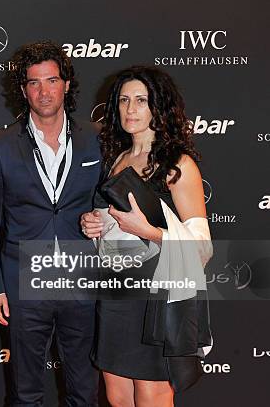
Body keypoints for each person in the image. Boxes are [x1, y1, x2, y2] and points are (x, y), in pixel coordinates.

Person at [0, 41, 101, 406]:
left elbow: (110, 202)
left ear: (66, 84)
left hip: (82, 278)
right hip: (23, 280)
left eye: (52, 80)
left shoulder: (96, 138)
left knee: (84, 389)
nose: (44, 91)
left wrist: (102, 220)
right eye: (34, 82)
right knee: (25, 391)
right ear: (23, 90)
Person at [81, 65, 211, 407]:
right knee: (117, 395)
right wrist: (93, 226)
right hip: (115, 296)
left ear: (159, 106)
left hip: (155, 300)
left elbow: (202, 248)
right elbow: (114, 231)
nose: (130, 109)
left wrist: (149, 232)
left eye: (141, 100)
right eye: (124, 100)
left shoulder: (177, 165)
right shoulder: (118, 159)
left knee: (152, 396)